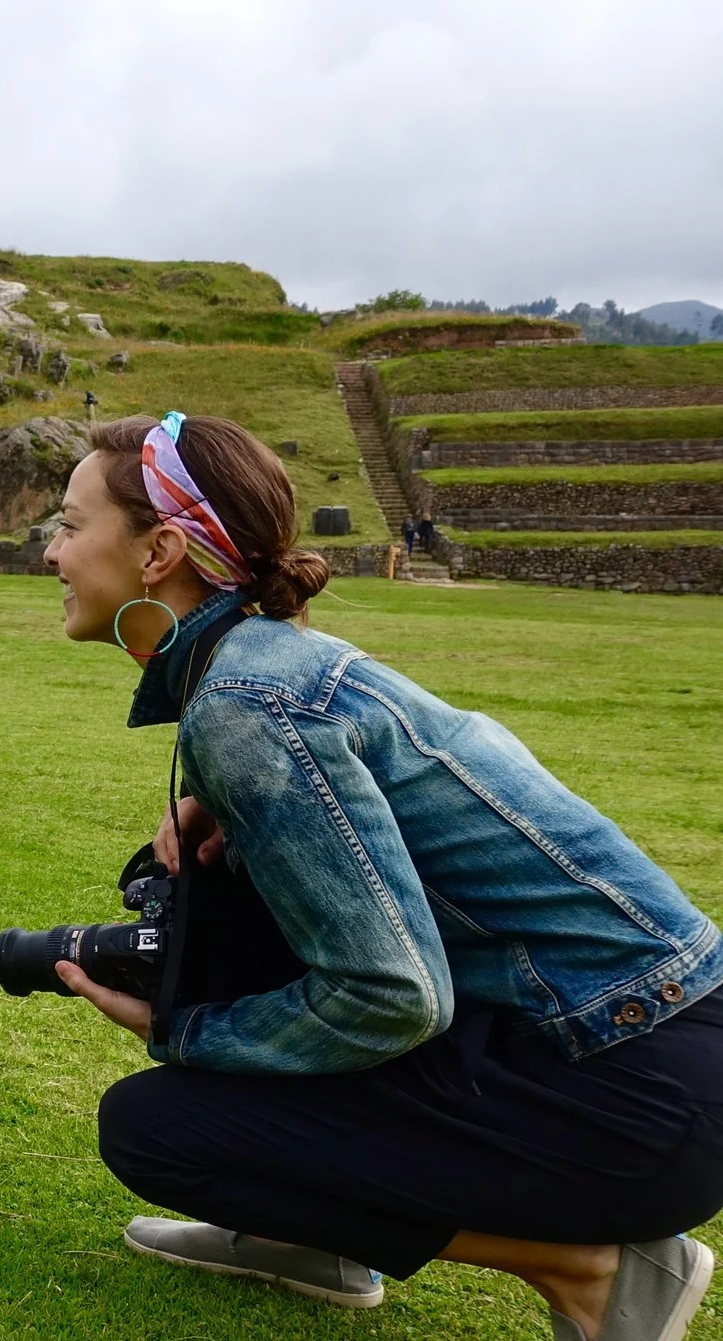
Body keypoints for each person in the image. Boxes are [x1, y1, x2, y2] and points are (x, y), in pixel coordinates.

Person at [41, 411, 723, 1341]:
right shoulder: (264, 670)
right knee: (225, 892)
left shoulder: (246, 703)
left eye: (71, 524)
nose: (53, 552)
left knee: (156, 1128)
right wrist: (221, 810)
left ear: (160, 549)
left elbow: (392, 996)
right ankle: (308, 1239)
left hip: (627, 1085)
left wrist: (187, 1028)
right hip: (656, 1049)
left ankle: (598, 1272)